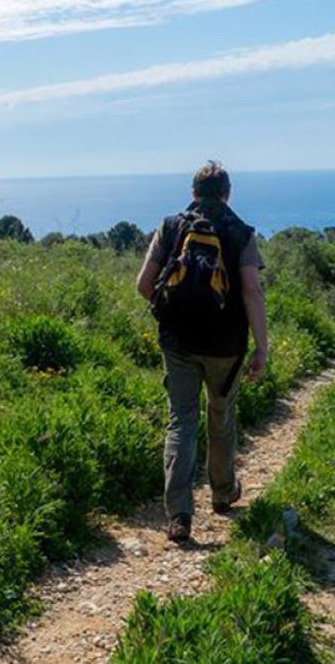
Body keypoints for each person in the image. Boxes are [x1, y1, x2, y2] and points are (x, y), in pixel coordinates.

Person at [134, 161, 267, 543]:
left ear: (193, 192)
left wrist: (170, 310)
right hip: (225, 345)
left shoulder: (171, 226)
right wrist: (262, 347)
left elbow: (144, 284)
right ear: (227, 194)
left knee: (181, 421)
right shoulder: (240, 233)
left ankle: (178, 515)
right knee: (221, 417)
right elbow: (251, 292)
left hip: (177, 343)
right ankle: (223, 495)